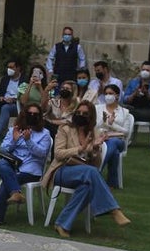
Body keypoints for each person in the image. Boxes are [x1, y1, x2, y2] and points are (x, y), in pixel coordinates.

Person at [41, 99, 130, 238]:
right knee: (92, 172)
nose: (81, 115)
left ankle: (62, 224)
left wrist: (94, 149)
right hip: (62, 170)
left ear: (91, 116)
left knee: (87, 187)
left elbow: (95, 162)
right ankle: (113, 210)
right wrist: (80, 148)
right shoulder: (65, 129)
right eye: (79, 112)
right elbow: (58, 154)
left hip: (83, 172)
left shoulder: (93, 132)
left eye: (85, 113)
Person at [0, 103, 52, 227]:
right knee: (0, 163)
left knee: (7, 182)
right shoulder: (14, 130)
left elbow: (42, 154)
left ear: (40, 117)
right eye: (29, 113)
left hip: (31, 170)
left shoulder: (45, 134)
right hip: (13, 165)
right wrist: (14, 140)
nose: (32, 116)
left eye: (35, 114)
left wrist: (28, 140)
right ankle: (16, 193)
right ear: (24, 115)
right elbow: (3, 149)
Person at [95, 84, 130, 188]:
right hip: (101, 139)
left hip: (119, 141)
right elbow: (94, 125)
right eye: (106, 94)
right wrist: (104, 122)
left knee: (113, 142)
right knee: (115, 153)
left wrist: (111, 124)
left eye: (110, 93)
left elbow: (126, 131)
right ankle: (112, 183)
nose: (108, 96)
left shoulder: (124, 112)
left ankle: (97, 171)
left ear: (117, 96)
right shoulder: (98, 108)